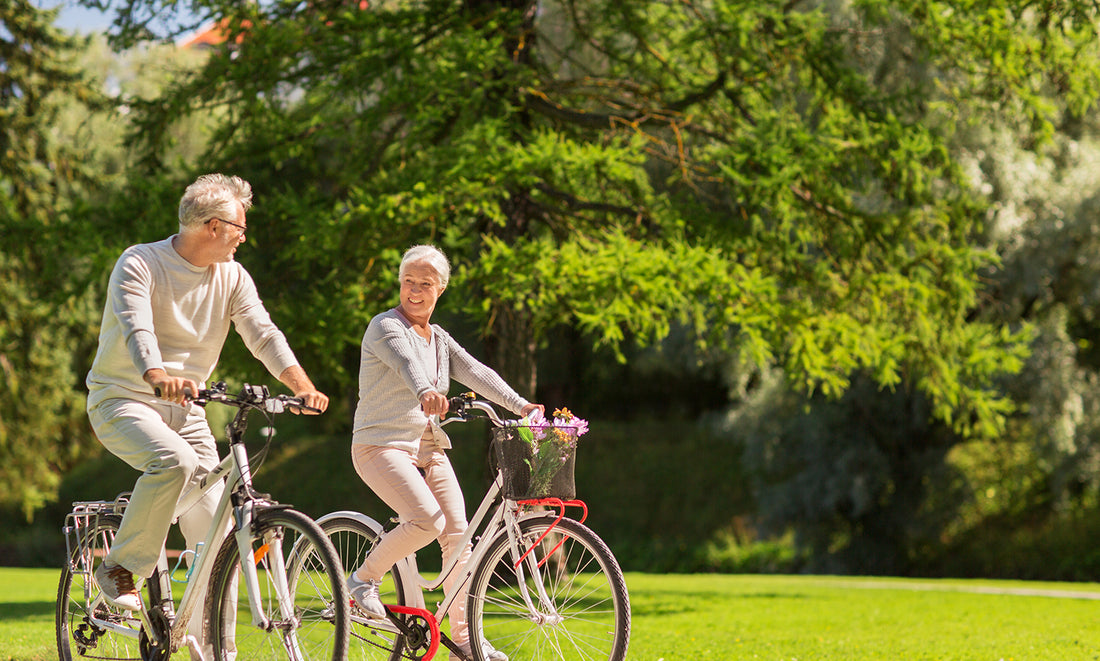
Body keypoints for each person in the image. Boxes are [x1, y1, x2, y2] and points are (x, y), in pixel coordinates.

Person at [85, 173, 329, 657]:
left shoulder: (232, 277)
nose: (244, 236)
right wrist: (157, 375)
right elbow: (137, 329)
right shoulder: (141, 263)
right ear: (213, 226)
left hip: (189, 411)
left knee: (218, 532)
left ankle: (212, 649)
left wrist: (302, 385)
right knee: (172, 461)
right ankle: (118, 568)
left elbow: (262, 332)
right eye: (240, 226)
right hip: (123, 400)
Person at [349, 245, 542, 661]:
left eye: (425, 284)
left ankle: (465, 640)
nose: (414, 292)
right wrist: (427, 392)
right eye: (408, 282)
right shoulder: (385, 326)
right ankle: (362, 580)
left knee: (459, 538)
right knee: (426, 521)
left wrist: (521, 405)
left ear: (441, 290)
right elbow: (406, 365)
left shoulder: (439, 339)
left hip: (426, 447)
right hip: (379, 445)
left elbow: (476, 372)